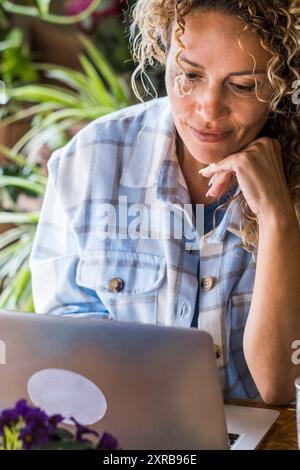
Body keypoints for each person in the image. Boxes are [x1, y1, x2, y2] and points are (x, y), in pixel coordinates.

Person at [29, 0, 300, 405]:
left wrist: (278, 220)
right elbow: (62, 353)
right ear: (161, 49)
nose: (209, 109)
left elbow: (281, 386)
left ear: (283, 79)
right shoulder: (88, 162)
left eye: (244, 85)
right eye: (190, 75)